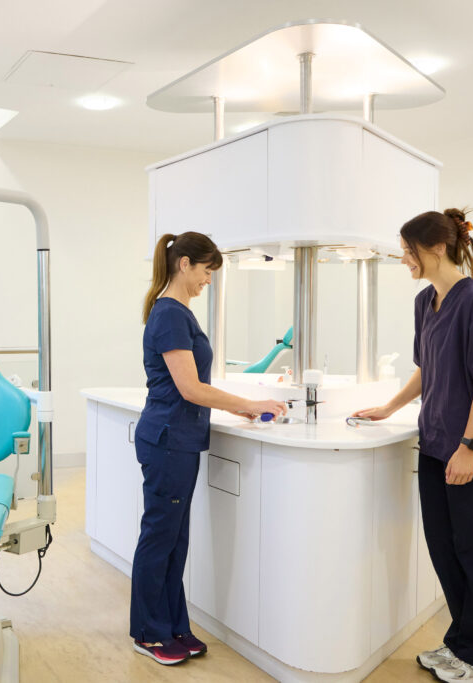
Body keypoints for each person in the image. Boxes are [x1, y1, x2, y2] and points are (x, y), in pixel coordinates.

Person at [352, 209, 473, 683]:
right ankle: (461, 644)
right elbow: (426, 368)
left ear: (437, 248)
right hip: (434, 445)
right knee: (445, 550)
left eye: (408, 250)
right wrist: (389, 406)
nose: (404, 258)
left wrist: (468, 447)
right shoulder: (428, 301)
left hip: (471, 452)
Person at [130, 231, 287, 666]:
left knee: (175, 538)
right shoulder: (169, 315)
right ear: (185, 265)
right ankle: (148, 632)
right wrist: (249, 406)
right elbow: (190, 388)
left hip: (179, 439)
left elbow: (195, 388)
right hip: (167, 441)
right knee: (160, 537)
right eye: (205, 271)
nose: (208, 281)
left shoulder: (179, 313)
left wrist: (242, 407)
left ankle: (174, 625)